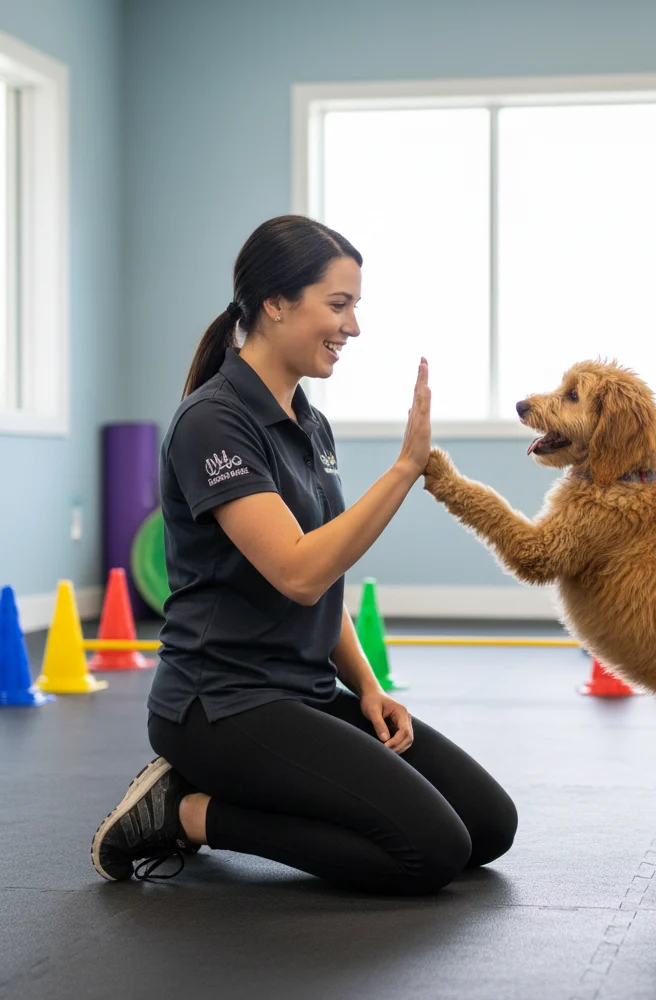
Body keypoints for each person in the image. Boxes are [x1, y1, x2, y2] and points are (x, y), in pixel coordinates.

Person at [90, 215, 517, 892]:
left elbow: (326, 582)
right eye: (339, 305)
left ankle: (225, 795)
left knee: (489, 827)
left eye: (355, 308)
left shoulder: (308, 423)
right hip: (220, 706)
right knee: (430, 851)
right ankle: (189, 813)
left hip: (304, 693)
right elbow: (297, 571)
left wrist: (368, 687)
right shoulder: (213, 420)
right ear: (276, 303)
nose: (353, 328)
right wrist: (405, 470)